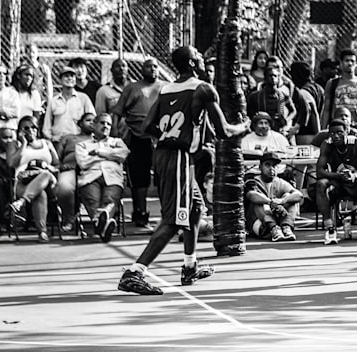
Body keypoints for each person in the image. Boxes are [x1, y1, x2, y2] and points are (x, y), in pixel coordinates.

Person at [117, 45, 248, 296]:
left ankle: (190, 266)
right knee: (174, 219)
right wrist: (245, 126)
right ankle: (134, 272)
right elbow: (224, 132)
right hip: (178, 157)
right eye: (198, 57)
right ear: (190, 63)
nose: (202, 59)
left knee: (195, 207)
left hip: (167, 154)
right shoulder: (203, 89)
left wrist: (167, 136)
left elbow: (146, 126)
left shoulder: (166, 89)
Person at [114, 57, 166, 229]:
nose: (152, 69)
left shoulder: (166, 87)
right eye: (148, 66)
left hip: (161, 137)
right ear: (141, 70)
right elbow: (117, 113)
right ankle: (140, 214)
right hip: (137, 136)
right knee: (139, 178)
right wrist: (115, 135)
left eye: (155, 66)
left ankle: (167, 215)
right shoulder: (132, 88)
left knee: (163, 176)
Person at [315, 119, 357, 245]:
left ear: (347, 131)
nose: (336, 136)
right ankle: (330, 228)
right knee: (321, 184)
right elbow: (319, 171)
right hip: (339, 184)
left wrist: (355, 175)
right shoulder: (326, 145)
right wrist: (338, 175)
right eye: (332, 133)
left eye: (340, 133)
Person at [75, 113, 130, 242]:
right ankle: (104, 227)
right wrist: (111, 155)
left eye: (109, 124)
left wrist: (99, 153)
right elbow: (83, 162)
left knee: (109, 200)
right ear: (94, 125)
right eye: (102, 123)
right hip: (90, 177)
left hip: (112, 177)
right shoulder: (82, 145)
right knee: (92, 201)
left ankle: (100, 226)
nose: (105, 126)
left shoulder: (117, 142)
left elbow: (123, 155)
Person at [7, 116, 59, 242]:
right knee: (40, 194)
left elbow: (58, 165)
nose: (31, 130)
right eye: (26, 128)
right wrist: (23, 144)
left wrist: (47, 167)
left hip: (48, 181)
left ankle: (21, 202)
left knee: (45, 174)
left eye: (33, 127)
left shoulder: (46, 143)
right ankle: (42, 232)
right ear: (19, 130)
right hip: (23, 182)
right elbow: (11, 164)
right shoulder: (14, 144)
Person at [245, 151, 304, 242]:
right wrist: (271, 202)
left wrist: (282, 201)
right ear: (260, 167)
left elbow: (299, 195)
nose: (271, 168)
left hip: (278, 220)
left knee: (289, 197)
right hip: (259, 223)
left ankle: (286, 227)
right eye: (267, 165)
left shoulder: (280, 181)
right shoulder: (253, 180)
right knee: (259, 203)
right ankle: (274, 229)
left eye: (274, 166)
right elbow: (251, 195)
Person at [322, 49, 357, 138]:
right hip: (336, 127)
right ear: (341, 63)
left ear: (356, 64)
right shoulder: (332, 83)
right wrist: (323, 132)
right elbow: (326, 110)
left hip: (356, 127)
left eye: (352, 61)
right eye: (347, 61)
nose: (350, 64)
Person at [247, 63, 294, 135]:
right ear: (265, 78)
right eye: (270, 75)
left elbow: (293, 111)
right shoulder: (255, 96)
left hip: (277, 131)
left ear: (278, 78)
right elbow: (249, 113)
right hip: (260, 131)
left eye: (275, 76)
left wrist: (286, 120)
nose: (272, 78)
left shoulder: (282, 96)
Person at [95, 59, 130, 137]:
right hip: (116, 133)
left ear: (128, 69)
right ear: (111, 70)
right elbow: (101, 115)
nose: (121, 69)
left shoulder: (136, 87)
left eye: (124, 66)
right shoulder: (103, 91)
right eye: (118, 66)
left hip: (137, 132)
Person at [289, 62, 321, 145]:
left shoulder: (303, 92)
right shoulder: (319, 88)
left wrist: (318, 136)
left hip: (307, 134)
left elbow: (313, 112)